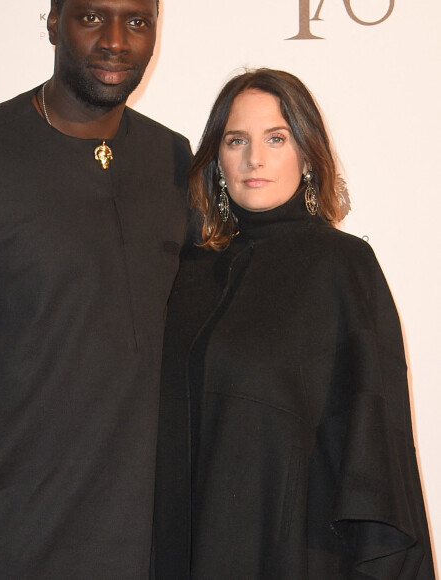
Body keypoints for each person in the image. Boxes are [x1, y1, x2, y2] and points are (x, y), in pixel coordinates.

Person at [0, 0, 193, 578]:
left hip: (145, 543)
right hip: (3, 539)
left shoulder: (173, 160)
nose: (116, 40)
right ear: (53, 21)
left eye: (137, 22)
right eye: (92, 17)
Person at [153, 69, 435, 578]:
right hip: (176, 549)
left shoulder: (343, 267)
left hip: (294, 555)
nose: (253, 159)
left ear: (306, 154)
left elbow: (375, 447)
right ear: (217, 158)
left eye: (275, 139)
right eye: (236, 140)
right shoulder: (183, 271)